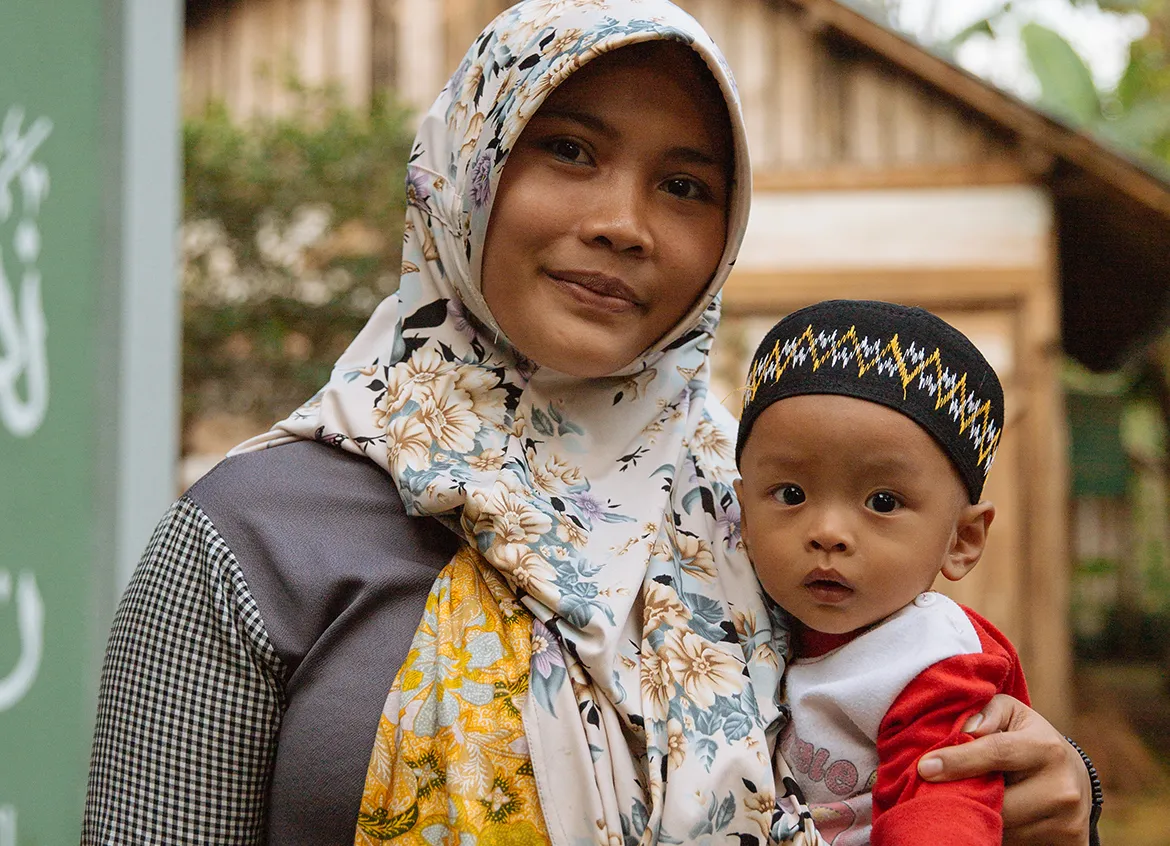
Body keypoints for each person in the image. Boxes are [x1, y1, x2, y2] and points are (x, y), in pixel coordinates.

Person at [82, 2, 1097, 844]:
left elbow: (924, 738)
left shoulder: (763, 513)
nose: (625, 221)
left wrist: (1062, 798)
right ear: (468, 168)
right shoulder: (255, 536)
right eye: (568, 149)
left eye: (685, 184)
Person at [734, 299, 1033, 845]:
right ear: (743, 515)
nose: (828, 531)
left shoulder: (930, 659)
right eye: (791, 494)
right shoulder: (734, 611)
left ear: (962, 540)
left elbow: (943, 810)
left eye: (883, 501)